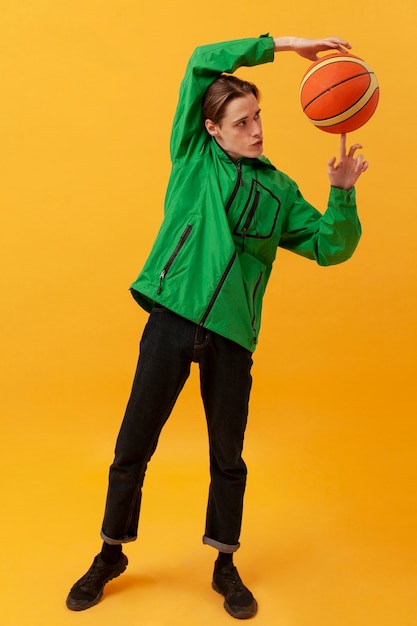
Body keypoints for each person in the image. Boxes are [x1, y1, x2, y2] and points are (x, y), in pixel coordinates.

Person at [66, 34, 367, 619]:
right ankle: (109, 554)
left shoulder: (281, 192)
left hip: (232, 336)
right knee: (132, 446)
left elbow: (332, 248)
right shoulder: (192, 158)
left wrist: (342, 194)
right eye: (241, 121)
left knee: (228, 457)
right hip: (171, 318)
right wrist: (285, 46)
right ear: (212, 129)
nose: (256, 129)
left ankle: (225, 564)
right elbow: (202, 59)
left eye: (258, 117)